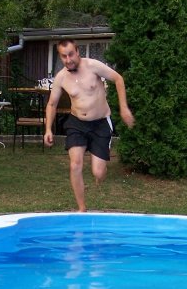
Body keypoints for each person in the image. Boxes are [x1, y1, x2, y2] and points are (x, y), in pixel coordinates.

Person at [44, 39, 135, 212]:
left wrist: (123, 108)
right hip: (77, 123)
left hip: (100, 123)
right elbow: (52, 104)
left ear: (77, 51)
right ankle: (82, 208)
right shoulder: (61, 78)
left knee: (98, 173)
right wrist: (48, 128)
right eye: (64, 56)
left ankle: (100, 171)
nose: (68, 59)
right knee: (75, 164)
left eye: (71, 54)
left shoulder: (93, 66)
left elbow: (118, 79)